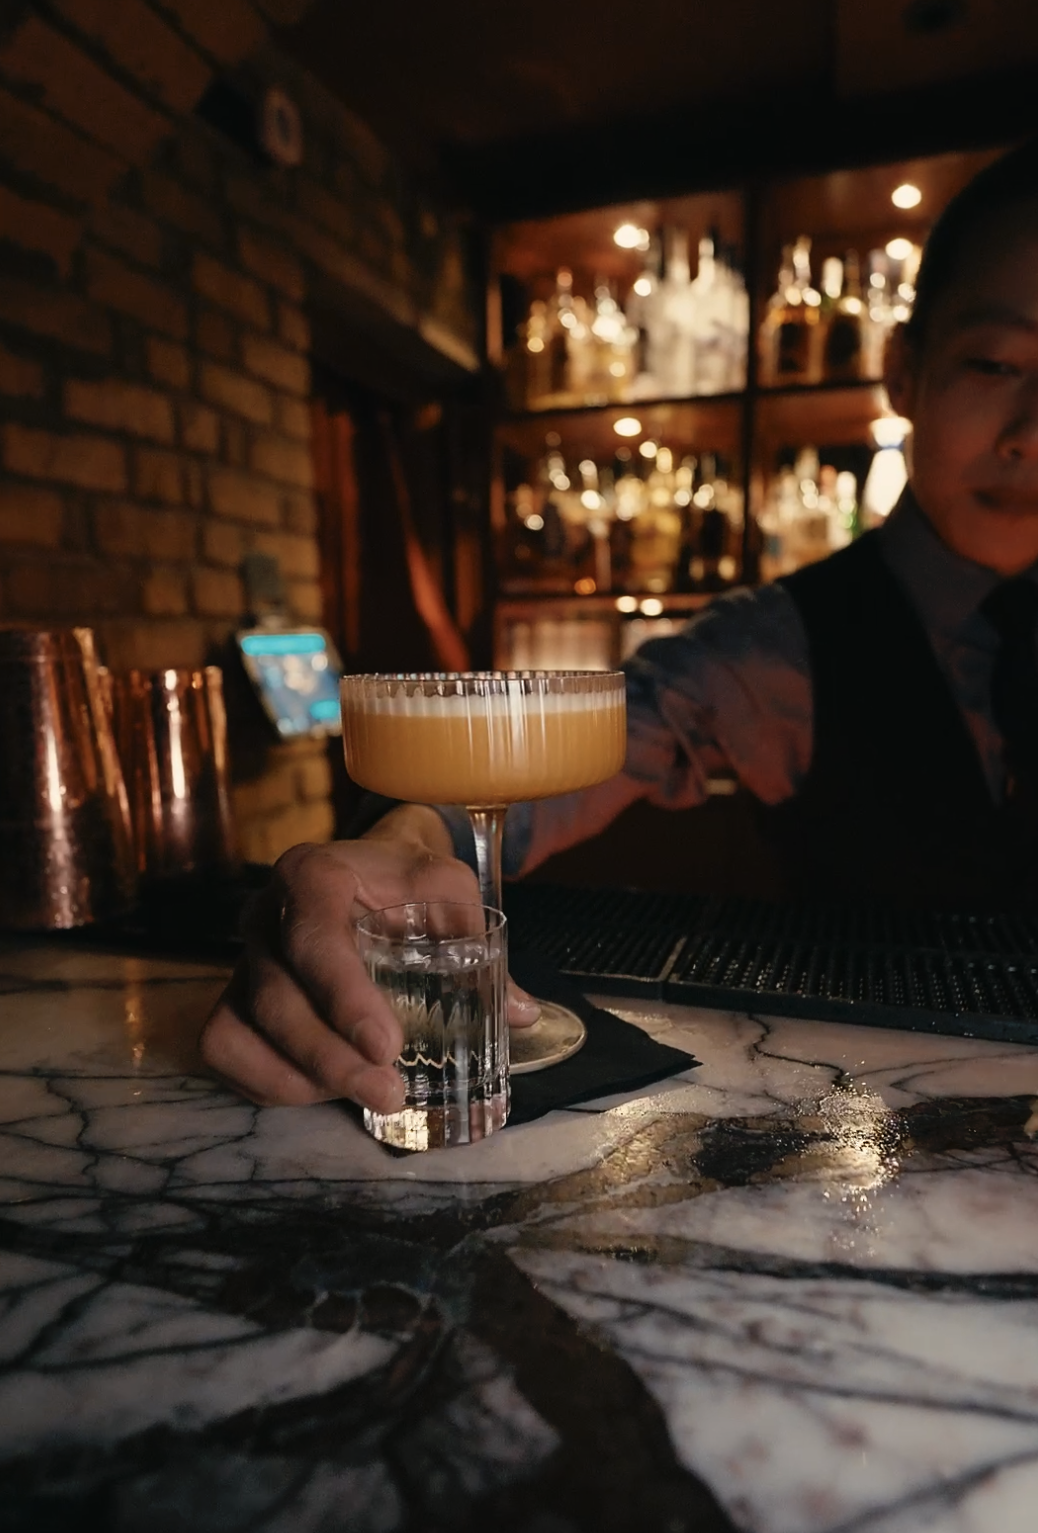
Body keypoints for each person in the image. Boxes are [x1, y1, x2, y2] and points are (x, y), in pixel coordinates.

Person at [201, 140, 1038, 1110]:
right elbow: (613, 728)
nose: (1032, 429)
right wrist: (410, 839)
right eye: (996, 362)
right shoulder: (776, 644)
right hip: (868, 1119)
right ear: (903, 371)